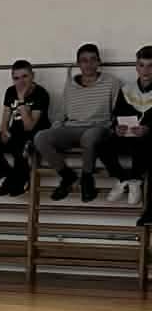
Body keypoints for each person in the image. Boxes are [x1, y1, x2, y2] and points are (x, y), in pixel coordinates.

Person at [33, 43, 118, 200]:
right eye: (84, 60)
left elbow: (117, 111)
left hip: (98, 128)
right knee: (40, 137)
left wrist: (113, 129)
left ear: (99, 62)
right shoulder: (71, 84)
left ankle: (87, 179)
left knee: (89, 136)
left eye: (93, 59)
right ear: (78, 63)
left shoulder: (112, 82)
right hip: (72, 127)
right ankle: (68, 177)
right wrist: (54, 130)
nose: (89, 64)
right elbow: (62, 113)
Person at [0, 58, 49, 197]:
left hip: (34, 135)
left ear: (32, 76)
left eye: (25, 76)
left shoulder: (41, 93)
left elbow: (29, 126)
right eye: (16, 78)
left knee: (20, 143)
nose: (21, 82)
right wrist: (4, 131)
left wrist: (21, 100)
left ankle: (16, 181)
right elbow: (5, 119)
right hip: (15, 133)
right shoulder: (10, 91)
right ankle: (11, 176)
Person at [102, 45, 152, 209]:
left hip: (147, 139)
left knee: (142, 143)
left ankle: (136, 180)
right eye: (141, 65)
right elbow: (117, 115)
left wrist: (148, 129)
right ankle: (123, 178)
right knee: (102, 145)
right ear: (136, 66)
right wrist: (118, 128)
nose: (146, 70)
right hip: (128, 136)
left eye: (150, 66)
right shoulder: (127, 90)